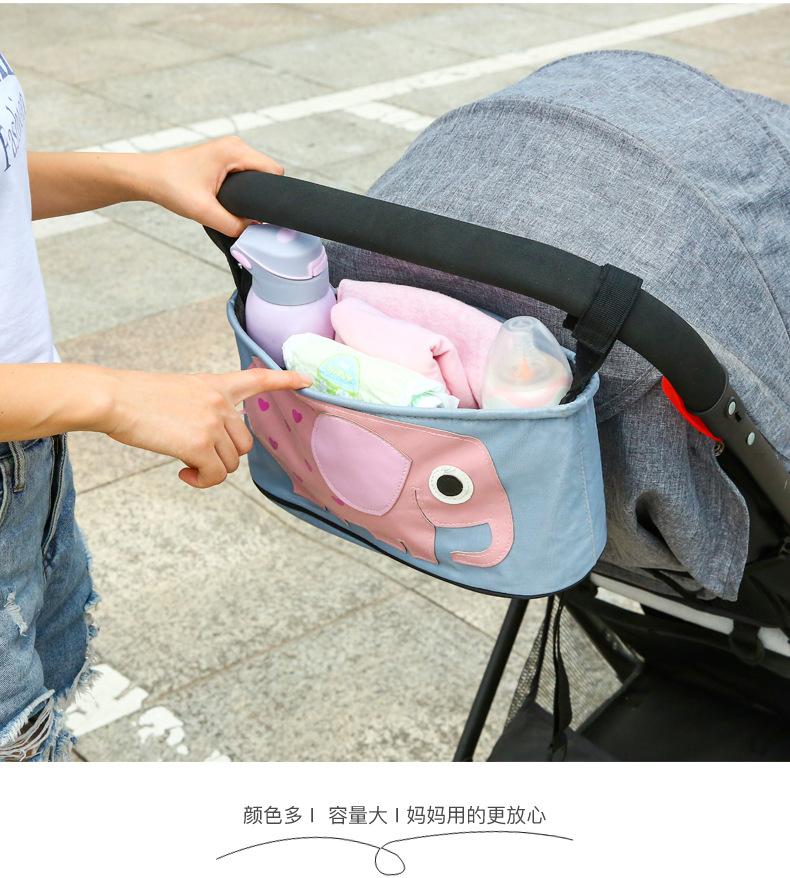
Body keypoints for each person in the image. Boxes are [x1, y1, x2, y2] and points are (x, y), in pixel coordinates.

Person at [0, 49, 310, 761]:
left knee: (46, 683)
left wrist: (139, 175)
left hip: (32, 444)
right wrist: (113, 396)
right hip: (42, 418)